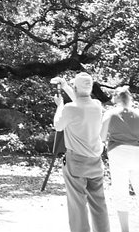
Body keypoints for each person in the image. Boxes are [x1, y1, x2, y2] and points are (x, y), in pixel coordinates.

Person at [54, 72, 110, 232]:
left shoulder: (70, 108)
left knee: (77, 206)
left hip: (76, 163)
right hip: (95, 162)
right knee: (99, 205)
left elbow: (58, 126)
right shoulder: (97, 105)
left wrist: (59, 105)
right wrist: (65, 86)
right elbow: (81, 102)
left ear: (76, 88)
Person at [102, 87, 139, 232]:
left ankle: (125, 230)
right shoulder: (137, 113)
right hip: (137, 153)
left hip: (117, 153)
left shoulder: (110, 114)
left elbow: (102, 137)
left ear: (115, 99)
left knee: (120, 191)